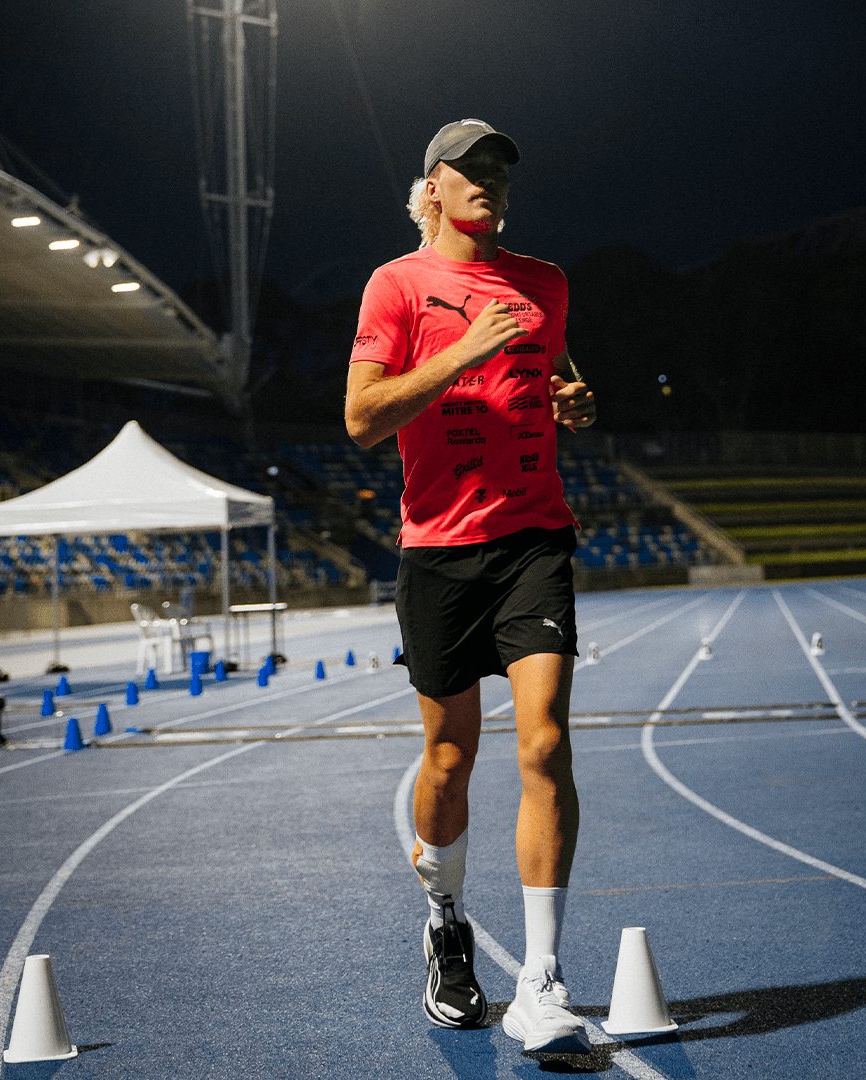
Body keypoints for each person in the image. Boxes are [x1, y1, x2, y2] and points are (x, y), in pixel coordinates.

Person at [344, 119, 596, 1055]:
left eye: (499, 170)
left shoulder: (545, 283)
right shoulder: (396, 285)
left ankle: (542, 979)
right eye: (470, 169)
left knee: (546, 743)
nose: (489, 180)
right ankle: (447, 922)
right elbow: (362, 418)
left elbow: (555, 374)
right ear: (433, 189)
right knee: (449, 759)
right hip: (440, 550)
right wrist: (462, 353)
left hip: (534, 538)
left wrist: (575, 400)